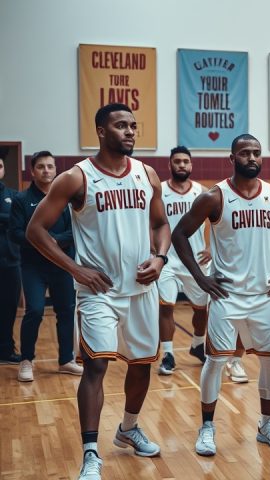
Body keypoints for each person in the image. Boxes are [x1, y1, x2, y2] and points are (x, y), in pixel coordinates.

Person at [26, 103, 170, 479]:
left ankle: (128, 428)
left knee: (141, 365)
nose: (130, 131)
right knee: (96, 366)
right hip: (99, 292)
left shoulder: (147, 174)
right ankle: (91, 453)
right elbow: (35, 229)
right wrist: (76, 269)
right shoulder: (77, 178)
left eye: (133, 125)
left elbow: (161, 224)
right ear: (101, 131)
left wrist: (160, 258)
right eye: (121, 125)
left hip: (140, 289)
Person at [172, 134, 270, 456]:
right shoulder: (214, 197)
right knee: (216, 360)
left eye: (256, 152)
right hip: (226, 294)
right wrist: (200, 278)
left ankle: (266, 424)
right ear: (232, 158)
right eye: (244, 153)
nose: (251, 157)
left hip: (264, 294)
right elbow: (179, 234)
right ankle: (207, 426)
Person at [10, 151, 82, 381]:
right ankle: (26, 360)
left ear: (56, 170)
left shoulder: (67, 198)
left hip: (62, 264)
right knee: (35, 310)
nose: (46, 171)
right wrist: (41, 240)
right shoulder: (21, 199)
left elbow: (75, 231)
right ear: (33, 171)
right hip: (33, 267)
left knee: (66, 310)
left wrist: (55, 240)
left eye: (50, 166)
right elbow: (15, 233)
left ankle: (66, 360)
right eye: (41, 167)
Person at [157, 146, 211, 375]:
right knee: (166, 307)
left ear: (191, 165)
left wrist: (211, 247)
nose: (181, 165)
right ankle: (168, 354)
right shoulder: (158, 191)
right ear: (169, 164)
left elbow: (218, 222)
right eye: (177, 161)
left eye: (185, 161)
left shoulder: (203, 192)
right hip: (167, 260)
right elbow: (150, 221)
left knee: (202, 310)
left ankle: (198, 344)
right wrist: (154, 250)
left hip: (195, 260)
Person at [0, 157, 21, 364]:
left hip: (11, 262)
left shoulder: (13, 196)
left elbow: (18, 222)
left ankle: (6, 351)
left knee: (8, 308)